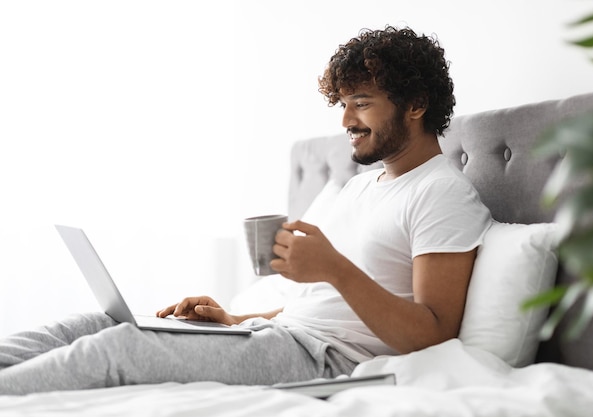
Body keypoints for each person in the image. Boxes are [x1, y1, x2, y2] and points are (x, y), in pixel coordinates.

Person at [0, 25, 491, 395]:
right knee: (92, 325)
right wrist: (236, 319)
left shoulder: (441, 194)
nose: (345, 120)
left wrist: (335, 269)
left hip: (322, 363)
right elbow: (322, 309)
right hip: (278, 335)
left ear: (416, 104)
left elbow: (432, 334)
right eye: (342, 104)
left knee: (118, 349)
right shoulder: (364, 188)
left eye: (360, 103)